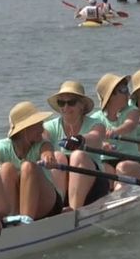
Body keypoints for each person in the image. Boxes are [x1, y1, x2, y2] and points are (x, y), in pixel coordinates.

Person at [0, 101, 62, 220]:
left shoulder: (42, 144)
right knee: (6, 168)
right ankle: (11, 219)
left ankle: (25, 222)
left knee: (28, 167)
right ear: (25, 130)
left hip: (48, 204)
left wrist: (48, 158)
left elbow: (47, 152)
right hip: (18, 204)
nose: (42, 130)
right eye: (38, 125)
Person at [43, 81, 109, 209]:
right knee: (57, 156)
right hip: (63, 188)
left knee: (77, 156)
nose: (66, 108)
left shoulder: (97, 124)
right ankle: (58, 208)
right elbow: (42, 138)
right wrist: (46, 151)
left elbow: (96, 137)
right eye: (61, 103)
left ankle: (74, 210)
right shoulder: (51, 126)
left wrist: (80, 139)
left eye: (71, 102)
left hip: (94, 186)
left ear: (82, 105)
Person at [91, 73, 140, 189]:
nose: (128, 94)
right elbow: (93, 137)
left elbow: (129, 124)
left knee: (123, 167)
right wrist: (101, 144)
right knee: (105, 170)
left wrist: (115, 131)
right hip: (106, 161)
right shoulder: (96, 118)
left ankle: (118, 193)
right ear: (111, 96)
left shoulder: (132, 110)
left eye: (127, 89)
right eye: (123, 90)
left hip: (131, 160)